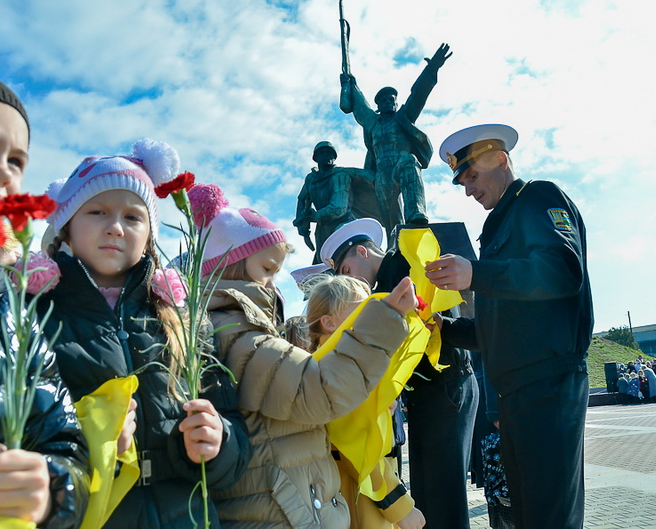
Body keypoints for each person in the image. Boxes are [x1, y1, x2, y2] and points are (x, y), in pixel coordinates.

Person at [40, 141, 250, 527]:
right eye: (97, 211)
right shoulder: (39, 317)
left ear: (150, 234)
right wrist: (92, 444)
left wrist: (219, 443)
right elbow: (23, 436)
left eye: (133, 217)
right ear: (67, 228)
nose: (115, 227)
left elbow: (233, 425)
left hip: (188, 515)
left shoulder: (182, 319)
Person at [193, 183, 416, 528]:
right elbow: (320, 391)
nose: (272, 286)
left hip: (289, 502)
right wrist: (382, 321)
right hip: (283, 509)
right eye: (267, 270)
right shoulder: (242, 337)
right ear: (233, 269)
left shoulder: (240, 332)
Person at [425, 124, 593, 528]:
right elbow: (497, 330)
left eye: (472, 176)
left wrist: (476, 275)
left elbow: (561, 273)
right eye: (462, 181)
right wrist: (443, 329)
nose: (467, 189)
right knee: (529, 515)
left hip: (548, 386)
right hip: (518, 394)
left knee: (549, 517)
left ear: (500, 160)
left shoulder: (537, 197)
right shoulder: (500, 222)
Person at [0, 64, 89, 526]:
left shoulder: (7, 309)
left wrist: (49, 487)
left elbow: (64, 440)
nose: (2, 173)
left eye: (17, 162)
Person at [319, 217, 477, 529]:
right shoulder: (382, 286)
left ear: (362, 252)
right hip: (426, 395)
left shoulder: (409, 263)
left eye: (347, 270)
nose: (352, 281)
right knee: (428, 492)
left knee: (444, 492)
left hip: (446, 387)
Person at [302, 273, 425, 529]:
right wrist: (401, 508)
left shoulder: (330, 365)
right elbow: (357, 450)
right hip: (362, 500)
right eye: (363, 308)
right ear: (329, 322)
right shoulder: (338, 373)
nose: (373, 314)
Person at [340, 43, 452, 233]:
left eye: (392, 99)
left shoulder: (403, 117)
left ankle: (416, 213)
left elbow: (418, 94)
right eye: (384, 100)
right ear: (378, 105)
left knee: (410, 162)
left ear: (396, 102)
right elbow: (359, 106)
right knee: (393, 224)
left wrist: (431, 69)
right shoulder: (373, 123)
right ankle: (396, 242)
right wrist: (350, 82)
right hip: (382, 173)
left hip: (401, 163)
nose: (388, 102)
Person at [294, 141, 379, 261]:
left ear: (334, 157)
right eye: (322, 153)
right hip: (323, 231)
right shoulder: (311, 179)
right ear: (316, 158)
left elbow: (339, 208)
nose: (326, 155)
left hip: (344, 226)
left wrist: (313, 216)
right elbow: (302, 199)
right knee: (321, 270)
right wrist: (302, 225)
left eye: (329, 153)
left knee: (347, 261)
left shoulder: (340, 175)